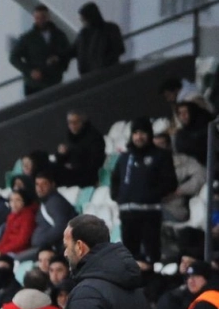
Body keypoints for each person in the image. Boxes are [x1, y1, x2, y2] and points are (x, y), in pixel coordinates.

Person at [109, 118, 177, 265]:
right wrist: (118, 196)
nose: (139, 137)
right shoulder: (124, 157)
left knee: (152, 255)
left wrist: (149, 196)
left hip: (149, 214)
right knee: (130, 257)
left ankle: (153, 282)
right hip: (127, 214)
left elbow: (170, 182)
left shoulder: (161, 156)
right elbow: (115, 179)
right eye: (135, 133)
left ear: (150, 134)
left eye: (143, 133)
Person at [10, 4, 72, 97]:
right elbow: (13, 57)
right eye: (37, 18)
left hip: (54, 81)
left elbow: (68, 53)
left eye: (42, 17)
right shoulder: (27, 38)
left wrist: (59, 61)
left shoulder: (59, 35)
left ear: (48, 17)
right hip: (34, 84)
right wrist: (30, 71)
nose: (40, 21)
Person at [53, 111, 107, 188]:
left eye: (75, 122)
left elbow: (95, 162)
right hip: (75, 173)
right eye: (69, 122)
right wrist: (61, 154)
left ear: (82, 122)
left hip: (88, 176)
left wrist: (74, 166)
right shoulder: (70, 136)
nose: (72, 125)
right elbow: (62, 160)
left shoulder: (94, 137)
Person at [29, 172, 76, 256]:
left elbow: (61, 227)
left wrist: (42, 241)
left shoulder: (55, 202)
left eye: (44, 184)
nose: (40, 188)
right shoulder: (46, 202)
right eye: (37, 184)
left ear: (52, 184)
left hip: (56, 250)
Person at [72, 2, 124, 76]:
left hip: (107, 73)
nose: (83, 23)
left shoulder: (110, 29)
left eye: (84, 20)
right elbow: (74, 49)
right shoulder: (84, 33)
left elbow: (118, 49)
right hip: (91, 75)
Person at [0, 187, 38, 259]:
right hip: (7, 250)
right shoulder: (11, 216)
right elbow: (6, 236)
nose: (14, 204)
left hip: (19, 251)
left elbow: (22, 241)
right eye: (11, 200)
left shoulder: (28, 216)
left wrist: (2, 251)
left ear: (24, 201)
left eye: (18, 200)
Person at [173, 93, 215, 162]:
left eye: (185, 112)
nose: (183, 116)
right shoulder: (182, 133)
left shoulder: (207, 124)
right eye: (180, 113)